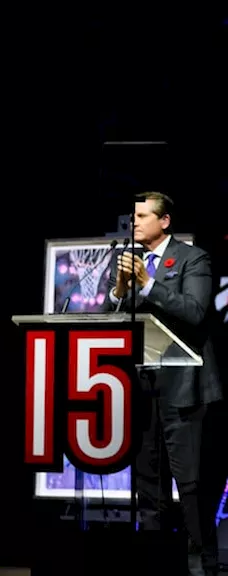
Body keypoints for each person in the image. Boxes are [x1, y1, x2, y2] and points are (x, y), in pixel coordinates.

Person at [109, 191, 220, 576]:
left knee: (191, 487)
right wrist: (122, 290)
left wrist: (147, 285)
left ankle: (203, 565)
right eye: (132, 216)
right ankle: (154, 564)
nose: (134, 222)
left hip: (185, 389)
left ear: (165, 221)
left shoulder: (195, 259)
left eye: (142, 215)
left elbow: (194, 311)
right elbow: (115, 321)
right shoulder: (129, 261)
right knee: (148, 484)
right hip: (143, 389)